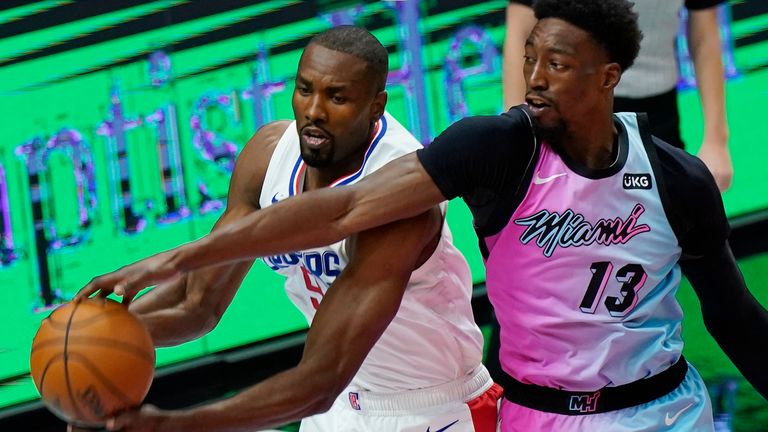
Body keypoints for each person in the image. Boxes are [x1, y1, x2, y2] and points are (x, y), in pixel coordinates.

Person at [78, 1, 768, 431]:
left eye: (556, 65)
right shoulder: (493, 148)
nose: (533, 78)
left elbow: (735, 318)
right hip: (519, 412)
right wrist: (142, 289)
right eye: (529, 57)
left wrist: (177, 424)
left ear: (608, 77)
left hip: (465, 408)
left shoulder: (675, 177)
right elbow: (324, 219)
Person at [73, 26, 500, 432]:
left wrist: (170, 424)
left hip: (431, 408)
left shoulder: (401, 196)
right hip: (340, 406)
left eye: (337, 97)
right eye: (305, 89)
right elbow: (196, 301)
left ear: (376, 106)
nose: (314, 111)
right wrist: (91, 345)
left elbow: (320, 378)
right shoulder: (268, 156)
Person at [503, 0, 733, 191]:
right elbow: (521, 30)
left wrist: (716, 141)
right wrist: (517, 137)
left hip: (657, 118)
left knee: (669, 234)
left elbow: (704, 35)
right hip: (567, 114)